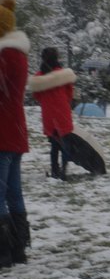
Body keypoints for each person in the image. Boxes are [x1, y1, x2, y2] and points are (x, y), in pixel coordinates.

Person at [0, 0, 31, 267]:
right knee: (14, 193)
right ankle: (19, 247)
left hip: (2, 133)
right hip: (16, 132)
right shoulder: (19, 54)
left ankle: (3, 252)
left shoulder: (3, 57)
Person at [29, 47, 76, 180]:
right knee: (65, 142)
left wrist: (47, 101)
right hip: (62, 112)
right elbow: (69, 93)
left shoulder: (39, 77)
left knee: (54, 144)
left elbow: (36, 95)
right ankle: (64, 170)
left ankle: (55, 171)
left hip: (49, 114)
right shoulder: (63, 74)